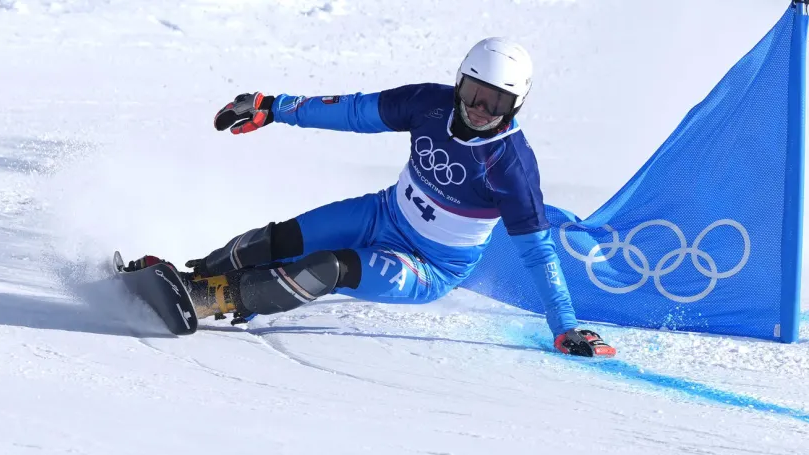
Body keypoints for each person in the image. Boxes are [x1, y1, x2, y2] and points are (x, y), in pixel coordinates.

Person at [131, 37, 615, 357]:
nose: (480, 110)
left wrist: (565, 325)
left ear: (517, 106)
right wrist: (274, 108)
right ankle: (191, 278)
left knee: (326, 268)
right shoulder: (429, 102)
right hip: (381, 213)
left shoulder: (511, 165)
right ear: (459, 82)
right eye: (472, 93)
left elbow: (538, 252)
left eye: (497, 103)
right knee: (275, 240)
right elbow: (354, 112)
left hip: (429, 266)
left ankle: (209, 299)